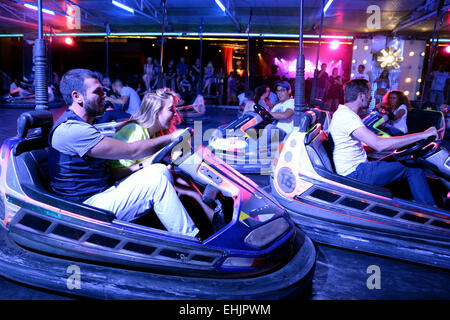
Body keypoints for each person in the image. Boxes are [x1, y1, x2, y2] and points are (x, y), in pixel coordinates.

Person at [49, 69, 199, 237]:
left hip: (101, 192)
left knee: (160, 170)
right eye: (97, 92)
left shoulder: (86, 125)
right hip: (84, 208)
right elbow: (132, 151)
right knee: (157, 183)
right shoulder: (72, 130)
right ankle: (192, 240)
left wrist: (146, 164)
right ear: (77, 96)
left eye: (103, 90)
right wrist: (172, 137)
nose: (104, 96)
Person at [110, 88, 214, 223]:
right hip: (122, 190)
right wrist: (151, 162)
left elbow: (177, 160)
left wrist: (184, 145)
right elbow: (115, 174)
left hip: (148, 182)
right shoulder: (134, 131)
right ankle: (211, 221)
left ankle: (212, 214)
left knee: (181, 177)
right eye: (171, 109)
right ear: (156, 111)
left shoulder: (158, 133)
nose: (175, 114)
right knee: (177, 180)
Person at [329, 79, 438, 206]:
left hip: (358, 169)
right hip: (356, 174)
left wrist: (392, 151)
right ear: (361, 96)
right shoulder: (347, 117)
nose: (371, 98)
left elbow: (361, 145)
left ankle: (411, 203)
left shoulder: (344, 114)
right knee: (412, 168)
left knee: (406, 160)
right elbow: (379, 145)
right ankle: (430, 212)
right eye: (370, 94)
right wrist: (424, 135)